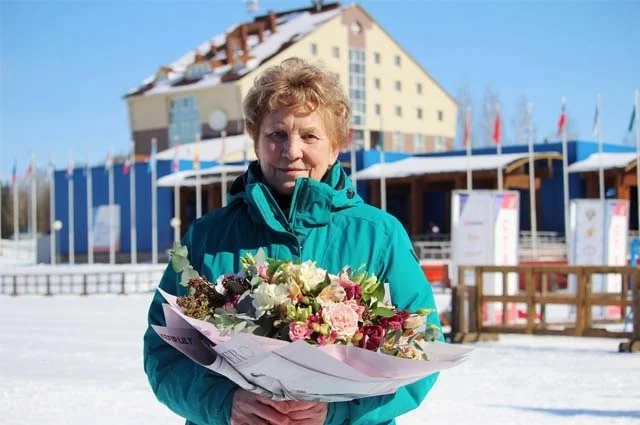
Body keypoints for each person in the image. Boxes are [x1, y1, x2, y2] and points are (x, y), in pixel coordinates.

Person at [143, 57, 442, 425]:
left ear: (337, 145)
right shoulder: (208, 237)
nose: (292, 150)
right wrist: (224, 404)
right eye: (276, 135)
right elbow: (165, 353)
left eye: (310, 135)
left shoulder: (379, 235)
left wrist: (336, 412)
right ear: (255, 140)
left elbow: (422, 349)